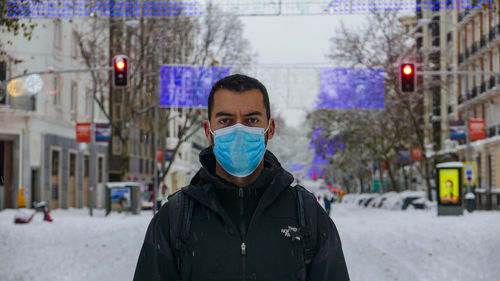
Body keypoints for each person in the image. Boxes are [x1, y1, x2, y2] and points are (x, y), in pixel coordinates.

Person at [133, 74, 349, 281]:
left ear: (270, 129)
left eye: (252, 120)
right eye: (226, 120)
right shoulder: (175, 219)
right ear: (208, 131)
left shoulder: (305, 214)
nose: (239, 130)